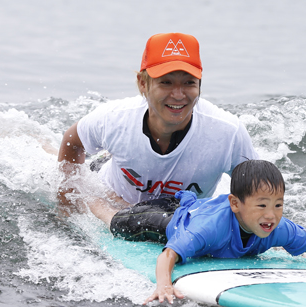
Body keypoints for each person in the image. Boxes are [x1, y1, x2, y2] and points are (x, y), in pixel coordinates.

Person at [108, 159, 306, 305]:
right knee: (115, 220)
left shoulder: (277, 228)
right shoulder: (208, 230)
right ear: (236, 204)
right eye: (263, 205)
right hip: (172, 221)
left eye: (278, 205)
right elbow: (168, 254)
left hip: (197, 207)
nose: (271, 215)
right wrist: (164, 285)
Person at [57, 32, 258, 221]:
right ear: (143, 84)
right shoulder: (115, 119)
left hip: (177, 214)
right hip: (112, 196)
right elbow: (72, 141)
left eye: (188, 83)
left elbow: (257, 193)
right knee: (55, 157)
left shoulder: (228, 133)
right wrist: (66, 201)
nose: (178, 95)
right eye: (166, 83)